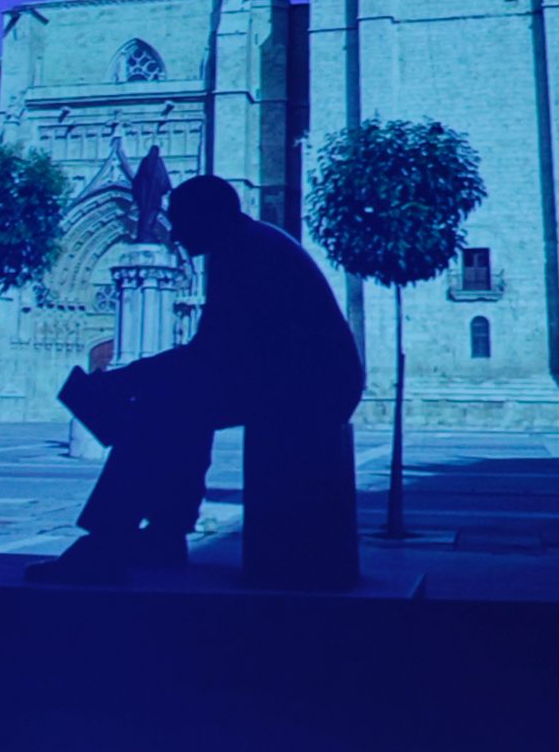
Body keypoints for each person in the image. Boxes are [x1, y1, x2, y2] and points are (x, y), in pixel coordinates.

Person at [29, 173, 364, 583]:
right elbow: (215, 354)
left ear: (211, 216)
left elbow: (211, 354)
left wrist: (128, 380)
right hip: (300, 381)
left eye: (181, 221)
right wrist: (135, 378)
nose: (175, 234)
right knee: (179, 406)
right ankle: (163, 534)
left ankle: (111, 541)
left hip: (312, 388)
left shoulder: (243, 253)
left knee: (164, 407)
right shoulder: (247, 244)